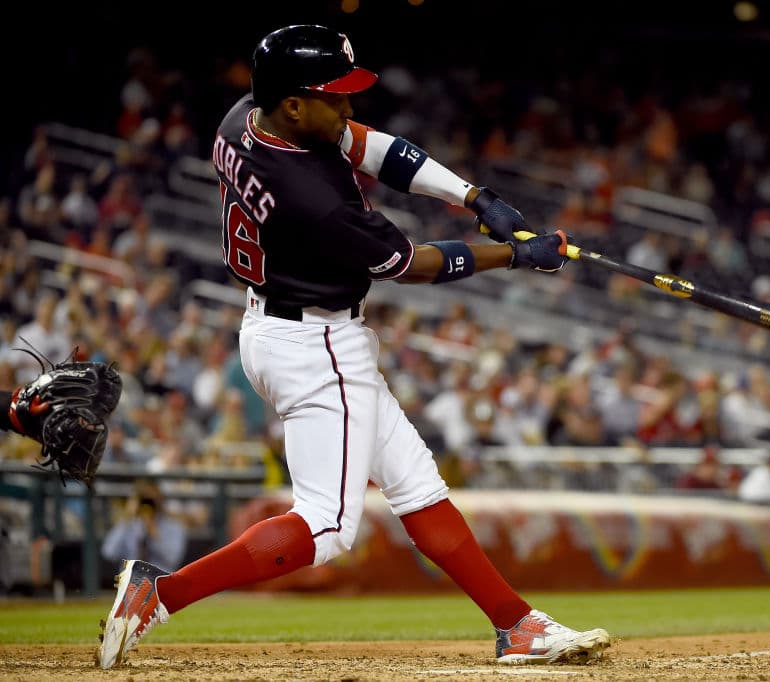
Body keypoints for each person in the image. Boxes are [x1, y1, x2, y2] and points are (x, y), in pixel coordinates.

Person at [96, 24, 609, 669]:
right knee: (326, 527)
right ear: (293, 105)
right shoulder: (313, 197)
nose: (348, 106)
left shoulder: (245, 116)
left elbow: (369, 147)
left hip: (280, 326)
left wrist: (474, 197)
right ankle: (161, 593)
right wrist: (514, 254)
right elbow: (412, 264)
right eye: (333, 96)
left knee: (416, 484)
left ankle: (515, 623)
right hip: (316, 343)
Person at [101, 479, 188, 572]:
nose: (148, 504)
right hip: (131, 578)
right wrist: (128, 517)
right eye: (143, 499)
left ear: (161, 499)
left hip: (160, 577)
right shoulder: (129, 524)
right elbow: (109, 553)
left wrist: (154, 535)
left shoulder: (174, 527)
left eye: (151, 500)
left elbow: (173, 560)